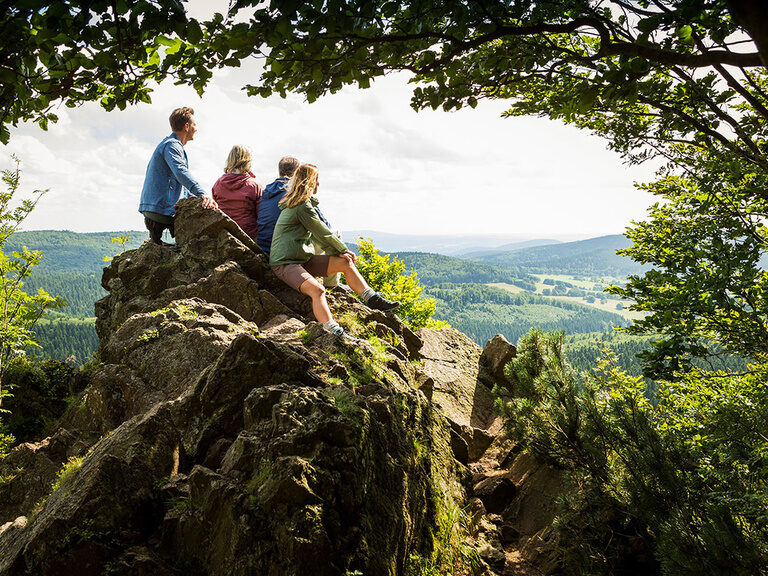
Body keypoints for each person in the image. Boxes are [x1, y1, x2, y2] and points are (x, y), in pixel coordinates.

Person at [269, 163, 399, 342]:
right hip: (285, 263)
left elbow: (320, 237)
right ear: (309, 182)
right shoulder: (302, 206)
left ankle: (372, 298)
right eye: (317, 180)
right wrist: (342, 249)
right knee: (318, 290)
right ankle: (333, 330)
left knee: (345, 263)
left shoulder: (301, 204)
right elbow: (322, 232)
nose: (318, 184)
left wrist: (340, 254)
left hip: (302, 259)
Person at [138, 106, 217, 245]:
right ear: (186, 126)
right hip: (160, 210)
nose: (196, 129)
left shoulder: (169, 145)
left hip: (154, 208)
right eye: (194, 124)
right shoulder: (172, 145)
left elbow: (178, 180)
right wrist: (202, 194)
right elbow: (180, 171)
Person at [212, 145, 263, 240]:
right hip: (249, 236)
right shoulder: (254, 185)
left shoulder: (218, 184)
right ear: (247, 161)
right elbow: (261, 215)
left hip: (225, 236)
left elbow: (215, 210)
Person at [257, 156, 299, 254]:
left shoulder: (265, 193)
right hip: (282, 250)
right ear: (297, 172)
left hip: (263, 247)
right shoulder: (294, 193)